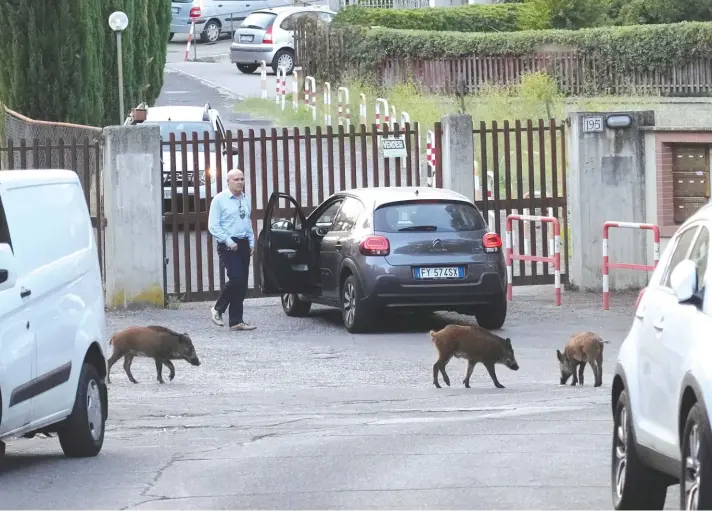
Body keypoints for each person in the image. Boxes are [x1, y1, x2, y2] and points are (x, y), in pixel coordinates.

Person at [207, 168, 257, 331]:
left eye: (242, 179)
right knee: (236, 278)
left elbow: (247, 221)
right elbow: (213, 226)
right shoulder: (220, 200)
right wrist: (228, 241)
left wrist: (251, 242)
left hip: (243, 243)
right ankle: (218, 308)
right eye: (236, 179)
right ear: (228, 182)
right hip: (228, 245)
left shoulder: (245, 199)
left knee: (241, 283)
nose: (240, 182)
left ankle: (236, 321)